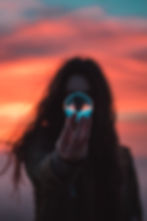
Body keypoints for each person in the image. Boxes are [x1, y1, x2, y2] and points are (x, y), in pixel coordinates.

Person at [11, 57, 142, 221]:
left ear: (99, 101)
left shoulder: (122, 158)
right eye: (70, 95)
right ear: (59, 99)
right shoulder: (40, 144)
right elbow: (44, 175)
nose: (78, 104)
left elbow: (134, 214)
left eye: (87, 95)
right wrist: (64, 162)